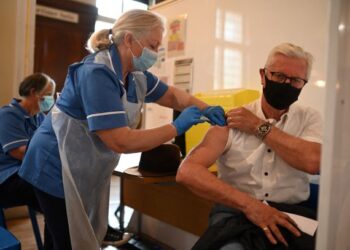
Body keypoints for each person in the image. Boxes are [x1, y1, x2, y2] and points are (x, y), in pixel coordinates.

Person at [18, 9, 226, 250]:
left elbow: (172, 95)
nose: (155, 54)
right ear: (128, 39)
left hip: (79, 163)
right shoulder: (97, 72)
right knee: (67, 239)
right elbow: (120, 141)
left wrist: (207, 108)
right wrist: (175, 127)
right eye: (152, 45)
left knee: (63, 235)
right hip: (54, 163)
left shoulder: (135, 75)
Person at [176, 43, 322, 250]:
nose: (286, 84)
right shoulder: (233, 118)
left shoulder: (309, 118)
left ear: (303, 84)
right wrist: (251, 205)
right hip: (236, 211)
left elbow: (312, 162)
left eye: (296, 80)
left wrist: (257, 126)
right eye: (279, 76)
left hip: (291, 213)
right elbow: (187, 171)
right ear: (263, 75)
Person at [0, 72, 55, 249]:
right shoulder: (8, 115)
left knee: (59, 201)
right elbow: (18, 152)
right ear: (34, 92)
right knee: (55, 199)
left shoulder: (39, 118)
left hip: (27, 175)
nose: (51, 99)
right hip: (7, 179)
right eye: (48, 94)